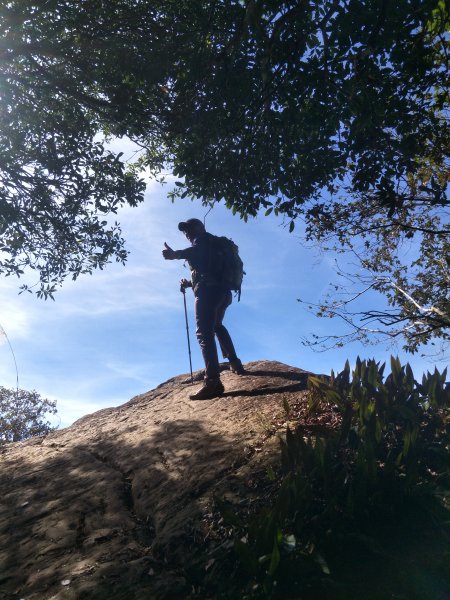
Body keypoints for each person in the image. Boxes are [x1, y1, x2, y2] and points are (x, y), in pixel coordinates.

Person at [162, 218, 244, 400]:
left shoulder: (202, 240)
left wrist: (175, 254)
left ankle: (212, 382)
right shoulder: (216, 244)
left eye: (190, 229)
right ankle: (235, 362)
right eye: (185, 231)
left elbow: (198, 252)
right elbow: (209, 269)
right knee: (216, 325)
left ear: (200, 227)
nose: (187, 234)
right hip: (223, 292)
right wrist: (191, 283)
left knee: (204, 333)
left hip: (208, 293)